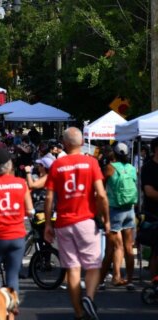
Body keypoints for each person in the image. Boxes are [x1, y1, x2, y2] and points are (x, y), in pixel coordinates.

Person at [44, 127, 110, 320]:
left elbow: (49, 198)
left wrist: (48, 224)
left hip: (64, 222)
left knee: (72, 269)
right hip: (86, 221)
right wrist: (105, 219)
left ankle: (79, 313)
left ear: (64, 144)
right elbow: (101, 195)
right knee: (93, 266)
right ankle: (88, 297)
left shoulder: (57, 165)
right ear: (82, 143)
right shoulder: (91, 163)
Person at [0, 149, 32, 307]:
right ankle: (12, 311)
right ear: (10, 166)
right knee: (12, 276)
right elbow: (29, 210)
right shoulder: (21, 183)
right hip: (17, 235)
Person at [99, 143, 137, 290]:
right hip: (130, 210)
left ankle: (103, 280)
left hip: (115, 211)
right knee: (129, 247)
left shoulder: (110, 168)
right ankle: (130, 280)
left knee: (112, 248)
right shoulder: (132, 168)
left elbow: (99, 186)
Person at [141, 137, 158, 279]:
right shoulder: (148, 167)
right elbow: (149, 192)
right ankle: (155, 284)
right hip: (154, 215)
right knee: (156, 252)